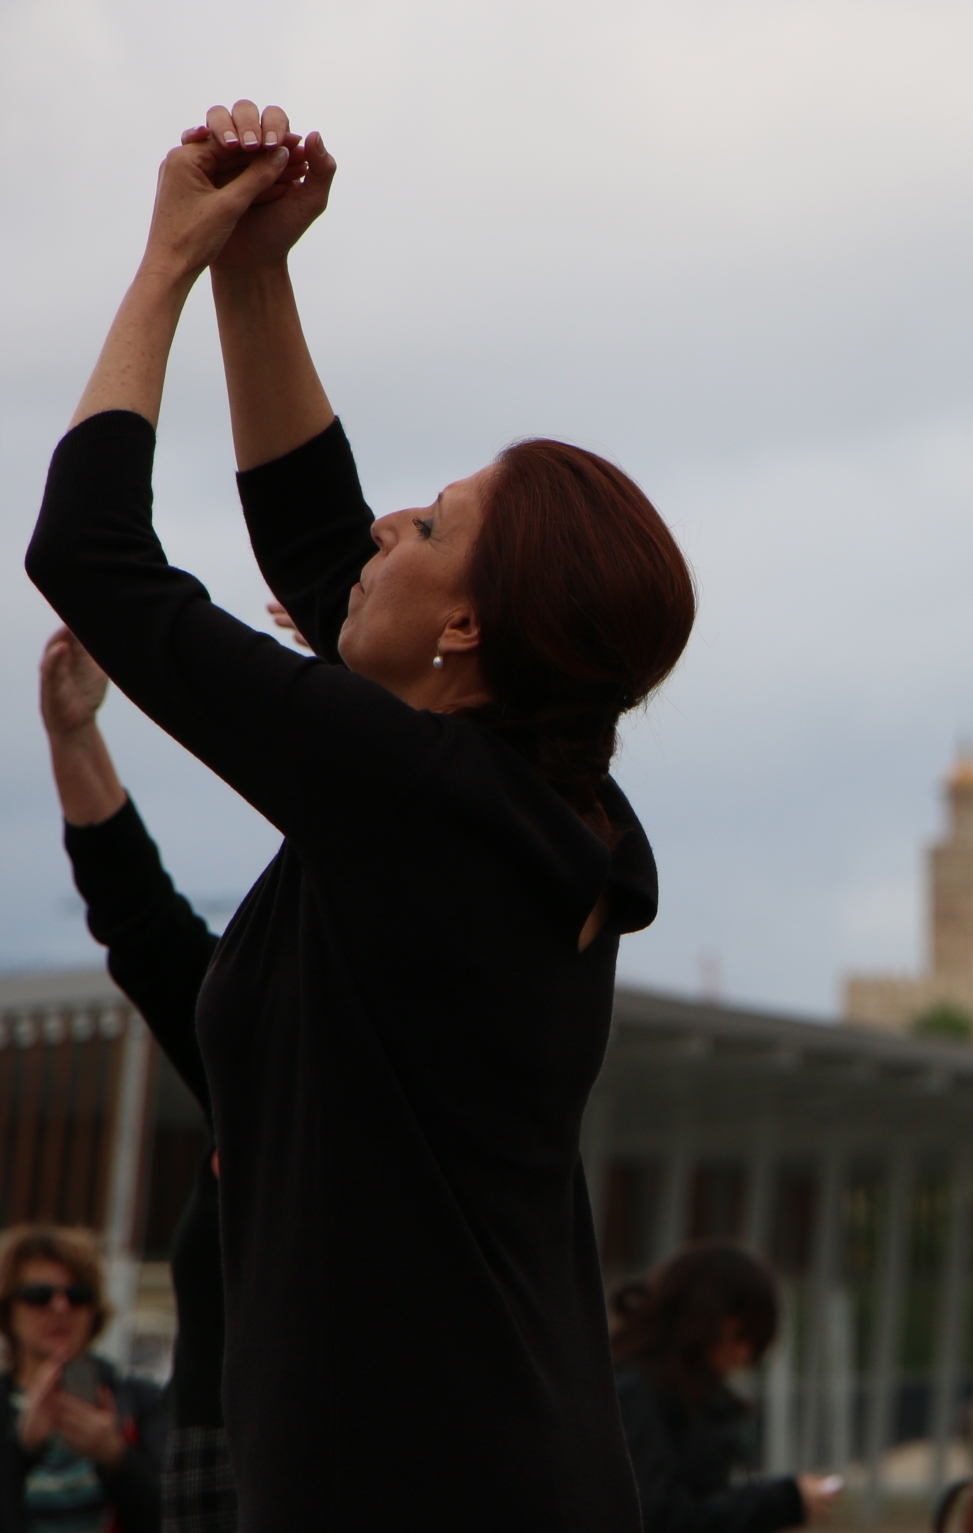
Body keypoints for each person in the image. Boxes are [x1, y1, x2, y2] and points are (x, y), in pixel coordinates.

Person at [24, 101, 695, 1531]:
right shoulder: (501, 793)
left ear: (464, 629)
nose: (388, 523)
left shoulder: (425, 802)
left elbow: (90, 551)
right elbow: (332, 556)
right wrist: (260, 268)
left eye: (433, 523)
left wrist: (166, 269)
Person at [37, 623, 236, 1533]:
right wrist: (75, 736)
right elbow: (143, 921)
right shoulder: (266, 1057)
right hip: (230, 1459)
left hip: (343, 1460)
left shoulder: (394, 1070)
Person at [611, 1245, 836, 1533]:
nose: (744, 1355)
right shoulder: (635, 1396)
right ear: (699, 1318)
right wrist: (784, 1499)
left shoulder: (687, 1396)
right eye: (739, 1335)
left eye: (754, 1343)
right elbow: (665, 1519)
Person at [1, 1226, 165, 1533]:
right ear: (8, 1311)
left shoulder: (141, 1402)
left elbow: (173, 1517)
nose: (60, 1307)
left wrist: (116, 1458)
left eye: (78, 1295)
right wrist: (21, 1449)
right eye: (38, 1295)